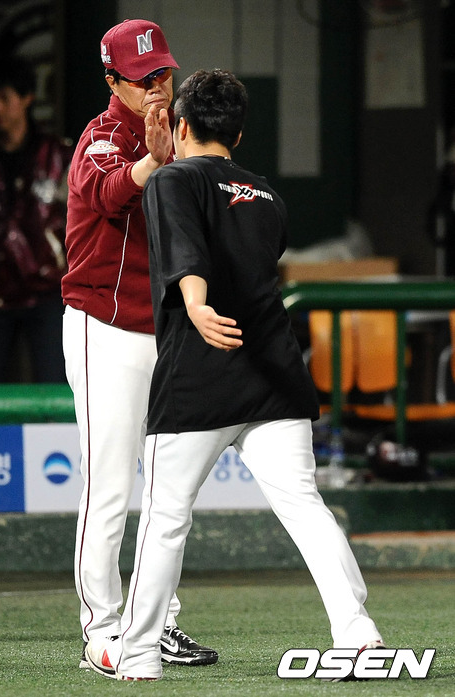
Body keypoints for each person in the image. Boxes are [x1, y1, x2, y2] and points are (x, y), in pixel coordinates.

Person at [113, 69, 385, 681]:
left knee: (165, 519)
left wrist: (195, 303)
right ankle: (359, 633)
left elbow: (186, 251)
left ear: (181, 125)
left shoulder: (171, 179)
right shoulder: (266, 196)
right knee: (305, 507)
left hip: (200, 375)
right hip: (274, 376)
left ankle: (139, 654)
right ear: (237, 134)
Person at [61, 19, 218, 678]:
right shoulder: (100, 137)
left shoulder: (183, 138)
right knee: (109, 488)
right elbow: (107, 193)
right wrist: (154, 162)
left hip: (164, 333)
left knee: (167, 490)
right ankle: (101, 631)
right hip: (104, 329)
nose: (156, 85)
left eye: (162, 73)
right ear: (112, 80)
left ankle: (156, 621)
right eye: (141, 76)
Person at [0, 56, 72, 383]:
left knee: (54, 387)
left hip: (47, 289)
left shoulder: (58, 154)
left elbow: (74, 221)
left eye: (4, 98)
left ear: (26, 98)